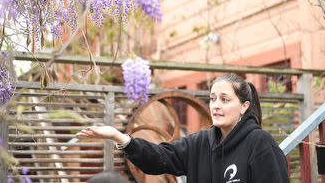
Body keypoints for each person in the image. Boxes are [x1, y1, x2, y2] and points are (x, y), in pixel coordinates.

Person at [76, 73, 290, 183]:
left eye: (225, 100)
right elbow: (158, 157)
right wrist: (119, 137)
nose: (215, 105)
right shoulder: (199, 144)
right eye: (213, 99)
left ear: (244, 106)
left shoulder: (260, 144)